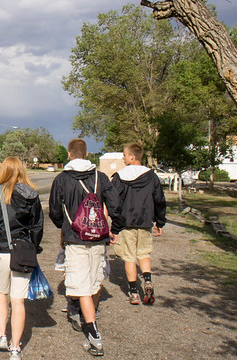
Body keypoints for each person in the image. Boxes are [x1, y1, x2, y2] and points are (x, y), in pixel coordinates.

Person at [49, 138, 124, 356]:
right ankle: (87, 314)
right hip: (98, 237)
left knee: (81, 285)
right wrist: (114, 229)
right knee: (95, 279)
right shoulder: (100, 177)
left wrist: (64, 228)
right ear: (87, 153)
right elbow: (115, 206)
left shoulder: (62, 179)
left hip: (76, 238)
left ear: (69, 154)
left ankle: (93, 333)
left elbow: (54, 210)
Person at [0, 156, 43, 360]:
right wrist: (34, 247)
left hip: (0, 250)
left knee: (1, 292)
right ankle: (15, 348)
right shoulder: (31, 194)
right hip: (23, 252)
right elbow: (37, 226)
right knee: (18, 301)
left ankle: (1, 335)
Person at [111, 143, 166, 305]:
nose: (123, 157)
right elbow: (159, 200)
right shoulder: (151, 176)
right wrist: (160, 222)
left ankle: (134, 292)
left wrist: (114, 227)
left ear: (132, 157)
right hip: (145, 222)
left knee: (129, 258)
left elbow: (114, 202)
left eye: (124, 155)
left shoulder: (120, 176)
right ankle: (147, 281)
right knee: (144, 254)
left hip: (126, 223)